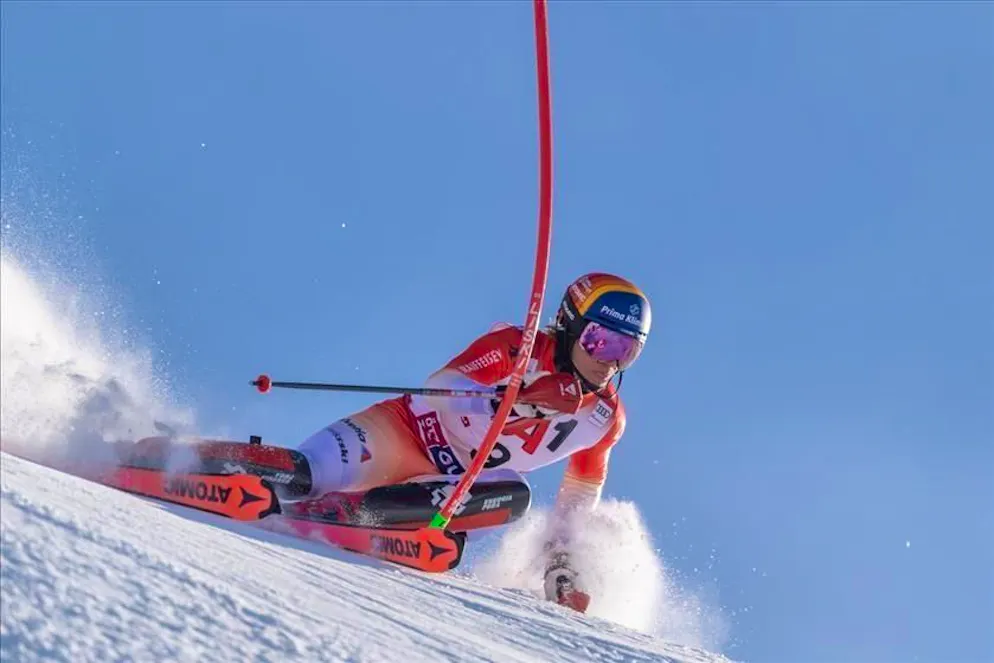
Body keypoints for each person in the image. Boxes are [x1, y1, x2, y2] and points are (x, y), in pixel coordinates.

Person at [289, 272, 651, 610]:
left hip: (454, 490)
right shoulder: (518, 347)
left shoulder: (604, 419)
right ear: (570, 327)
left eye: (626, 352)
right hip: (405, 432)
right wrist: (518, 399)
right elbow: (439, 386)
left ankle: (377, 517)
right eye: (600, 342)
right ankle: (262, 477)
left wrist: (561, 562)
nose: (608, 363)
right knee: (309, 470)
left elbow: (579, 493)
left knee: (514, 492)